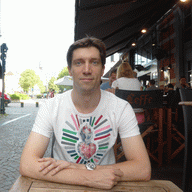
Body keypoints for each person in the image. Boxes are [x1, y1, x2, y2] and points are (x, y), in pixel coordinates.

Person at [19, 37, 151, 190]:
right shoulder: (51, 106)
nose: (87, 70)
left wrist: (78, 168)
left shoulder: (121, 107)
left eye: (94, 62)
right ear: (70, 69)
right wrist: (88, 177)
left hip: (106, 186)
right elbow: (27, 164)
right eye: (79, 62)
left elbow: (142, 169)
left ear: (102, 69)